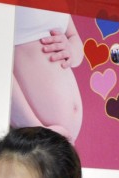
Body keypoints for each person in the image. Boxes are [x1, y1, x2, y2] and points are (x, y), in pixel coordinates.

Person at [11, 7, 84, 141]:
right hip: (30, 135)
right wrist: (34, 127)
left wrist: (72, 50)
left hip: (54, 139)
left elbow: (75, 41)